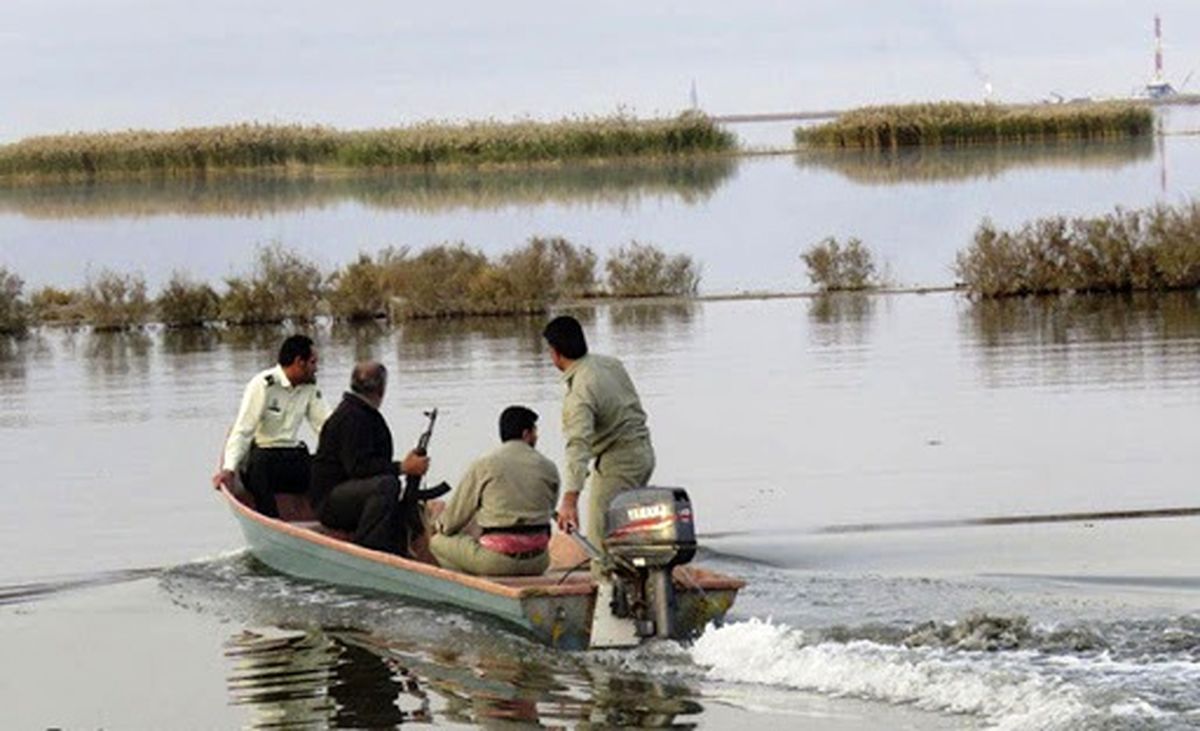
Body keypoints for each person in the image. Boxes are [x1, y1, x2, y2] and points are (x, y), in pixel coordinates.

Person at [542, 315, 655, 568]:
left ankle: (607, 597)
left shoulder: (580, 391)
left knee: (599, 544)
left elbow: (578, 446)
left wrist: (570, 500)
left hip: (618, 462)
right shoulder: (610, 364)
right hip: (644, 454)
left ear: (556, 353)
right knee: (624, 534)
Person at [309, 361, 430, 554]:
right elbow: (357, 468)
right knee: (387, 485)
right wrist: (402, 468)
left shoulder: (363, 413)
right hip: (330, 502)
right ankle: (367, 548)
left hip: (352, 495)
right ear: (382, 388)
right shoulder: (352, 417)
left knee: (391, 488)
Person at [430, 406, 559, 576]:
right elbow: (549, 508)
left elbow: (451, 522)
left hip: (496, 562)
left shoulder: (485, 464)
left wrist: (438, 526)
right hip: (539, 562)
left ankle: (472, 586)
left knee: (437, 542)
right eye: (535, 432)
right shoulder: (549, 467)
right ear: (526, 434)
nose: (536, 436)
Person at [212, 334, 331, 518]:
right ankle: (271, 521)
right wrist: (229, 469)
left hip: (291, 455)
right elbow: (243, 430)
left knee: (325, 470)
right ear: (299, 362)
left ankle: (325, 521)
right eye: (313, 362)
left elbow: (326, 427)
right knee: (260, 467)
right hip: (263, 456)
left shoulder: (309, 387)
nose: (316, 369)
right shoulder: (263, 385)